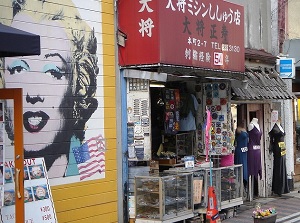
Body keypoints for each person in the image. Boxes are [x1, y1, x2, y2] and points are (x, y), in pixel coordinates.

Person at [1, 0, 101, 179]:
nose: (33, 95)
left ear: (79, 86)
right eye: (18, 69)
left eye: (53, 72)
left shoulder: (87, 166)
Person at [268, 118, 290, 196]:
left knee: (283, 166)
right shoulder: (274, 128)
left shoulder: (281, 126)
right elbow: (271, 138)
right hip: (277, 148)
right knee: (278, 167)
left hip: (282, 148)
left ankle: (284, 187)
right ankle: (278, 189)